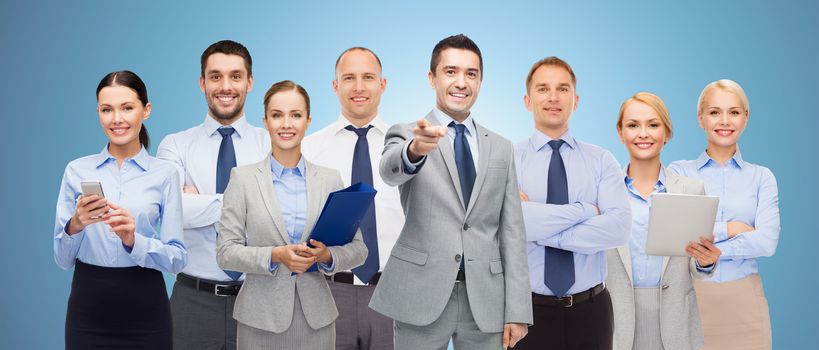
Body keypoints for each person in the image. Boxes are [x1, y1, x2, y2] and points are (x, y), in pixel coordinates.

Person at [369, 34, 532, 350]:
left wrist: (518, 310)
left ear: (480, 81)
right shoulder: (408, 132)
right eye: (450, 71)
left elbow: (513, 232)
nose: (461, 82)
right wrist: (415, 150)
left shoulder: (501, 148)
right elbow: (389, 170)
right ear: (432, 78)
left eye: (471, 74)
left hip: (486, 300)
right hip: (420, 295)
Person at [216, 80, 368, 349]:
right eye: (277, 115)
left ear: (308, 120)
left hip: (316, 320)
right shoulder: (242, 179)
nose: (286, 124)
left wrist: (327, 256)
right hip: (259, 320)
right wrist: (275, 255)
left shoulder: (330, 179)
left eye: (295, 115)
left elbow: (359, 249)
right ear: (265, 121)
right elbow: (226, 252)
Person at [54, 70, 187, 350]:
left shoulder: (165, 174)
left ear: (146, 110)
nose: (116, 119)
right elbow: (63, 260)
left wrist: (133, 240)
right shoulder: (76, 170)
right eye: (107, 110)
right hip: (87, 310)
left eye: (127, 108)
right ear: (98, 113)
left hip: (147, 310)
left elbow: (177, 258)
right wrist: (75, 224)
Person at [156, 40, 271, 350]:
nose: (225, 86)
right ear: (202, 82)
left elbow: (285, 217)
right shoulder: (175, 145)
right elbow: (170, 212)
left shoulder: (273, 144)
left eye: (235, 76)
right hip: (193, 302)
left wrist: (199, 200)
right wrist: (252, 200)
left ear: (249, 82)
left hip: (262, 301)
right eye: (216, 76)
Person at [513, 56, 631, 350]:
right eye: (543, 89)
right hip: (526, 312)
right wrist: (587, 211)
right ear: (527, 100)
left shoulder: (601, 160)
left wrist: (537, 229)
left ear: (575, 100)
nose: (553, 97)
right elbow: (508, 225)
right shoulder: (506, 161)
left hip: (591, 310)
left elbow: (619, 227)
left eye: (562, 89)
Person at [302, 46, 404, 350]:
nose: (359, 87)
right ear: (335, 86)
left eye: (368, 77)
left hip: (394, 294)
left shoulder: (407, 149)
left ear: (382, 84)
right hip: (329, 294)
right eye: (349, 78)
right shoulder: (308, 150)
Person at [668, 79, 780, 350]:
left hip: (745, 303)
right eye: (714, 112)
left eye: (734, 112)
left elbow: (767, 242)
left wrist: (715, 248)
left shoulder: (761, 177)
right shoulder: (679, 172)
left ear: (745, 118)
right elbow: (676, 234)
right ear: (701, 119)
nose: (724, 120)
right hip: (692, 299)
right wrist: (732, 228)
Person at [606, 92, 721, 350]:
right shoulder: (602, 193)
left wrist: (705, 261)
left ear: (667, 133)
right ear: (620, 133)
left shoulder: (691, 191)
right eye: (633, 125)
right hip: (616, 322)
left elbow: (694, 264)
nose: (643, 133)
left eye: (653, 124)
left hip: (675, 323)